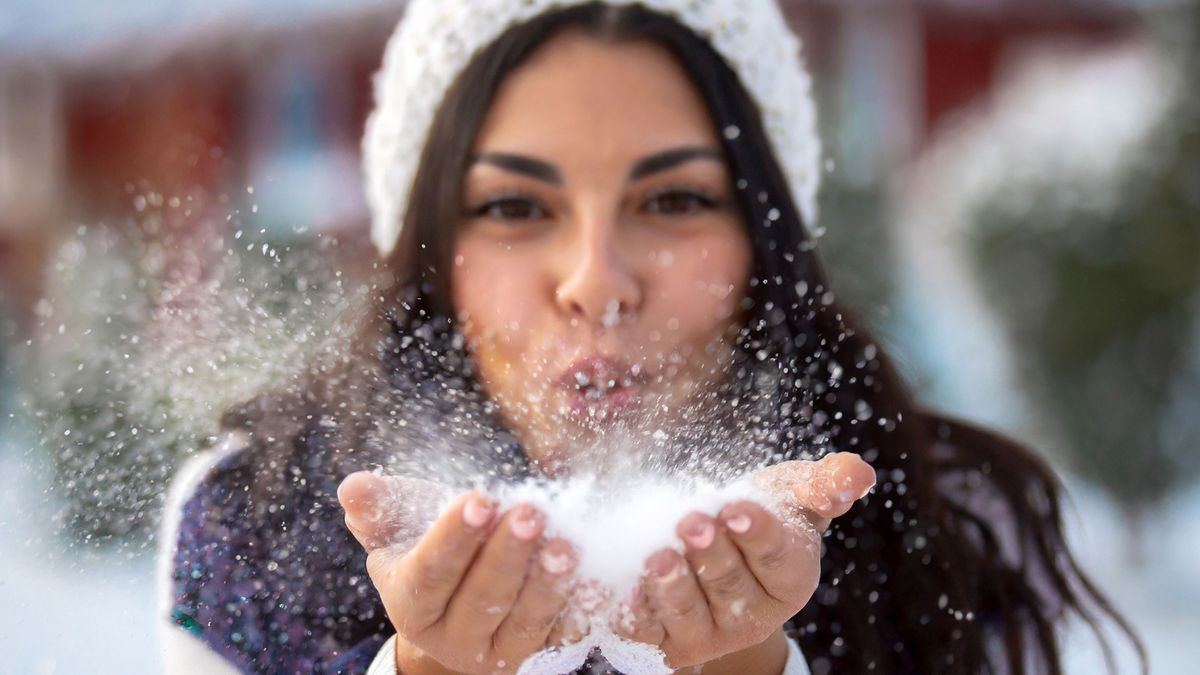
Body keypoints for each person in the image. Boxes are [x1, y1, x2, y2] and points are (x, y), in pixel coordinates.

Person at [157, 1, 1142, 673]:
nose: (597, 282)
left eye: (673, 199)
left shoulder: (945, 530)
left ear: (764, 243)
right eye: (512, 207)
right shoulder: (256, 525)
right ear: (430, 253)